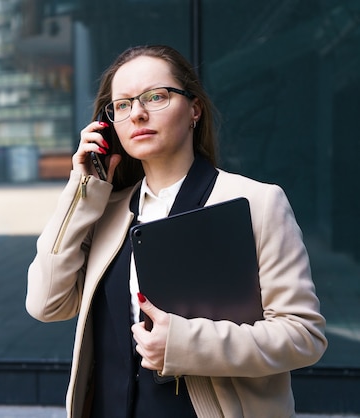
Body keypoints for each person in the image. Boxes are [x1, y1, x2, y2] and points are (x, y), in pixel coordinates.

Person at [26, 45, 327, 418]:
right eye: (122, 105)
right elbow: (45, 304)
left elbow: (303, 336)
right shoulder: (106, 213)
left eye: (156, 97)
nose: (137, 113)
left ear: (194, 110)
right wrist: (82, 191)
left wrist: (184, 344)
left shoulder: (257, 202)